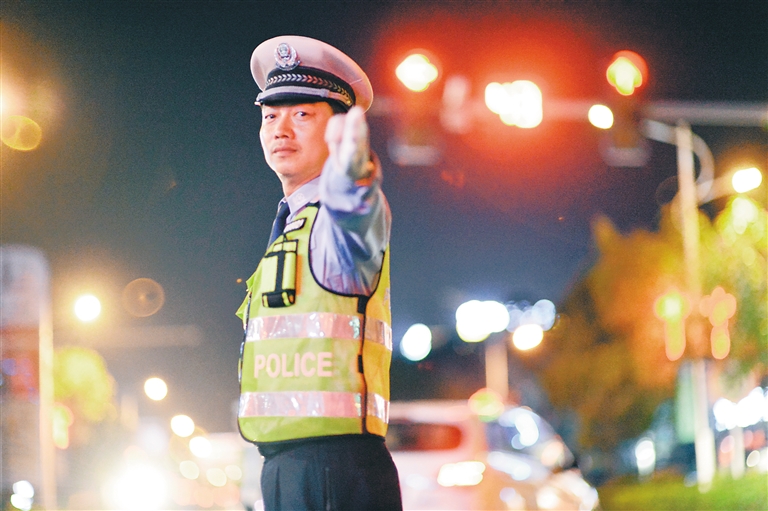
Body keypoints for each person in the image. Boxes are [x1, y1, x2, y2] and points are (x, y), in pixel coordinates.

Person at [235, 35, 402, 511]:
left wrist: (354, 174)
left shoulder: (335, 220)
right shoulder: (291, 229)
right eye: (270, 116)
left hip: (335, 472)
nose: (281, 130)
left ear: (339, 130)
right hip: (290, 469)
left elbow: (357, 213)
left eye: (303, 114)